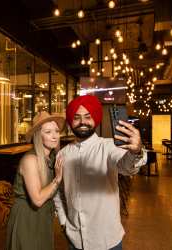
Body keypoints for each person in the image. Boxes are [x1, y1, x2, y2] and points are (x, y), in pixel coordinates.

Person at [54, 95, 147, 250]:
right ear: (71, 122)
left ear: (95, 120)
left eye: (87, 117)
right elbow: (58, 191)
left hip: (107, 240)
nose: (82, 122)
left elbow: (127, 167)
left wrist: (136, 151)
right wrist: (64, 222)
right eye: (77, 117)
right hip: (75, 240)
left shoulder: (109, 146)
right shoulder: (62, 154)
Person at [6, 111, 65, 250]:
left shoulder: (50, 159)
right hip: (27, 218)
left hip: (44, 217)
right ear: (39, 135)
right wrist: (57, 179)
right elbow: (37, 199)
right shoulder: (30, 160)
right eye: (48, 131)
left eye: (56, 131)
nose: (55, 135)